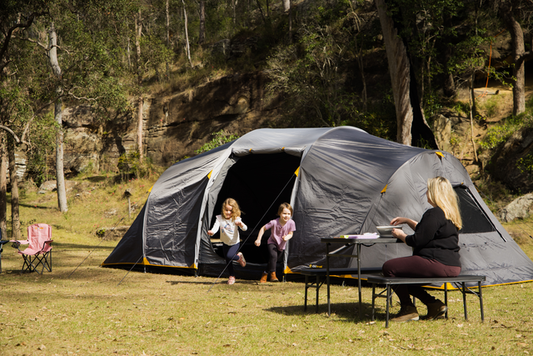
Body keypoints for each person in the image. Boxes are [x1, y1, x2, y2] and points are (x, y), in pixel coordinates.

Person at [382, 176, 462, 322]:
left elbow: (417, 240)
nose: (426, 193)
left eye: (428, 190)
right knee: (404, 275)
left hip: (436, 263)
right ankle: (434, 305)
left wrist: (401, 235)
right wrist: (407, 220)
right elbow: (425, 230)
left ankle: (408, 308)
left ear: (434, 193)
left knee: (389, 267)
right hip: (452, 265)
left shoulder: (434, 213)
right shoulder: (449, 213)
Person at [207, 198, 247, 285]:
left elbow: (245, 228)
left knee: (229, 256)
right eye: (226, 210)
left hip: (234, 243)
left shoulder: (236, 218)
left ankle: (239, 257)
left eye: (230, 211)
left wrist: (240, 224)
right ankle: (232, 276)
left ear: (234, 211)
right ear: (223, 209)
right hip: (225, 242)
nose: (228, 212)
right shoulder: (219, 218)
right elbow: (216, 227)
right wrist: (212, 232)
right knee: (228, 260)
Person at [254, 202, 296, 283]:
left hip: (282, 245)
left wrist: (287, 237)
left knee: (273, 260)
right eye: (284, 213)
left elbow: (291, 233)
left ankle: (265, 273)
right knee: (273, 256)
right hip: (272, 242)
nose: (286, 215)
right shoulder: (274, 222)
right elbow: (263, 228)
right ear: (279, 213)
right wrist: (258, 239)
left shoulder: (291, 223)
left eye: (288, 213)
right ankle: (273, 275)